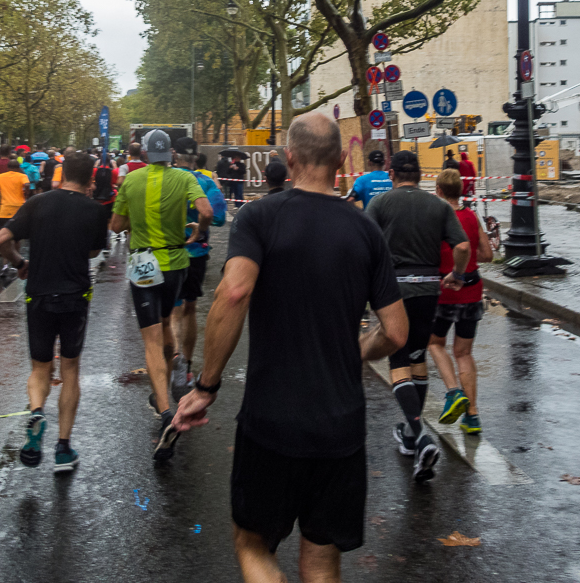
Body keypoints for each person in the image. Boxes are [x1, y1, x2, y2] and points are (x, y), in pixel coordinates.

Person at [172, 113, 407, 581]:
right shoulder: (365, 230)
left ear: (288, 158)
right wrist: (358, 350)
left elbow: (234, 293)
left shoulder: (260, 216)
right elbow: (397, 333)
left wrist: (207, 385)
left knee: (253, 542)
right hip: (340, 425)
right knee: (321, 557)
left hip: (271, 420)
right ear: (341, 160)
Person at [0, 153, 110, 472]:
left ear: (61, 174)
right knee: (70, 368)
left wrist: (19, 264)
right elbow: (95, 251)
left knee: (40, 368)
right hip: (75, 295)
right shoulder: (94, 210)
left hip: (39, 294)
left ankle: (36, 412)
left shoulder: (38, 203)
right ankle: (62, 449)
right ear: (90, 180)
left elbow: (1, 238)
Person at [366, 149, 470, 483]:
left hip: (392, 290)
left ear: (391, 173)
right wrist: (457, 274)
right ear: (421, 175)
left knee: (397, 362)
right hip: (428, 288)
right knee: (417, 356)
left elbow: (362, 242)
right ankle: (412, 439)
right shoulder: (439, 206)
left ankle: (420, 434)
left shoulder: (381, 204)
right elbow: (464, 247)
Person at [110, 129, 212, 461]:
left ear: (145, 154)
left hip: (143, 262)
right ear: (169, 154)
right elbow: (206, 211)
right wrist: (198, 229)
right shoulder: (184, 178)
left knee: (151, 338)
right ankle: (167, 386)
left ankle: (166, 412)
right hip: (175, 263)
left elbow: (114, 225)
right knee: (167, 322)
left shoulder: (131, 180)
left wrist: (132, 223)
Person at [429, 168, 494, 436]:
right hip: (472, 290)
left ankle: (454, 392)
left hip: (445, 291)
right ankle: (473, 416)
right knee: (464, 353)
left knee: (434, 343)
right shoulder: (470, 216)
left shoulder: (437, 219)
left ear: (440, 191)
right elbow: (488, 254)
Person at [170, 137, 228, 391]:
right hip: (196, 253)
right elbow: (219, 218)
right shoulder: (204, 182)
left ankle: (174, 360)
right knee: (190, 309)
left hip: (167, 252)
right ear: (196, 158)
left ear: (175, 155)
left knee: (172, 312)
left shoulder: (163, 178)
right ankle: (188, 364)